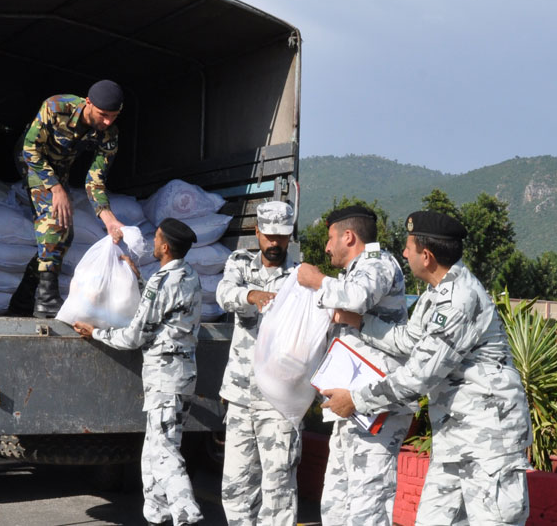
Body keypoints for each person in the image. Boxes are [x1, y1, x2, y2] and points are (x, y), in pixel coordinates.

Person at [320, 211, 533, 526]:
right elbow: (408, 341)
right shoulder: (436, 293)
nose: (404, 253)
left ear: (427, 256)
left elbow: (418, 377)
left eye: (408, 247)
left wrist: (355, 400)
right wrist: (360, 321)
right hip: (454, 440)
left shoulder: (459, 300)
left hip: (489, 443)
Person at [73, 217, 203, 526]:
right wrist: (141, 279)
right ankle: (157, 516)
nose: (153, 243)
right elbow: (165, 310)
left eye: (156, 239)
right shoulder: (190, 276)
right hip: (182, 376)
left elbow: (134, 336)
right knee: (152, 454)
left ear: (165, 246)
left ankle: (187, 513)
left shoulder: (162, 282)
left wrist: (96, 334)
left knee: (165, 453)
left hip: (164, 379)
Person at [295, 205, 410, 526]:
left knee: (368, 505)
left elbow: (357, 298)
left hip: (375, 406)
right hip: (351, 404)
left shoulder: (378, 263)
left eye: (331, 239)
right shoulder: (354, 272)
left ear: (349, 236)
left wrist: (317, 280)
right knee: (337, 501)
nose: (327, 247)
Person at [215, 201, 301, 526]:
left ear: (290, 235)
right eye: (269, 236)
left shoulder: (298, 277)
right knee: (236, 487)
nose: (275, 243)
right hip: (239, 398)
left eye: (281, 236)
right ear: (257, 233)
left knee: (278, 489)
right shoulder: (239, 263)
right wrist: (252, 296)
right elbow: (224, 293)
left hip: (278, 402)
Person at [11, 79, 127, 318]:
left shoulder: (110, 134)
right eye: (103, 114)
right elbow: (30, 149)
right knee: (54, 220)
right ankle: (46, 300)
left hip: (60, 169)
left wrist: (108, 218)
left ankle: (22, 301)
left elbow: (95, 179)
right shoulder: (56, 107)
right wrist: (56, 188)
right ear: (88, 103)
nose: (107, 122)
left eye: (113, 116)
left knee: (65, 233)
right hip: (32, 160)